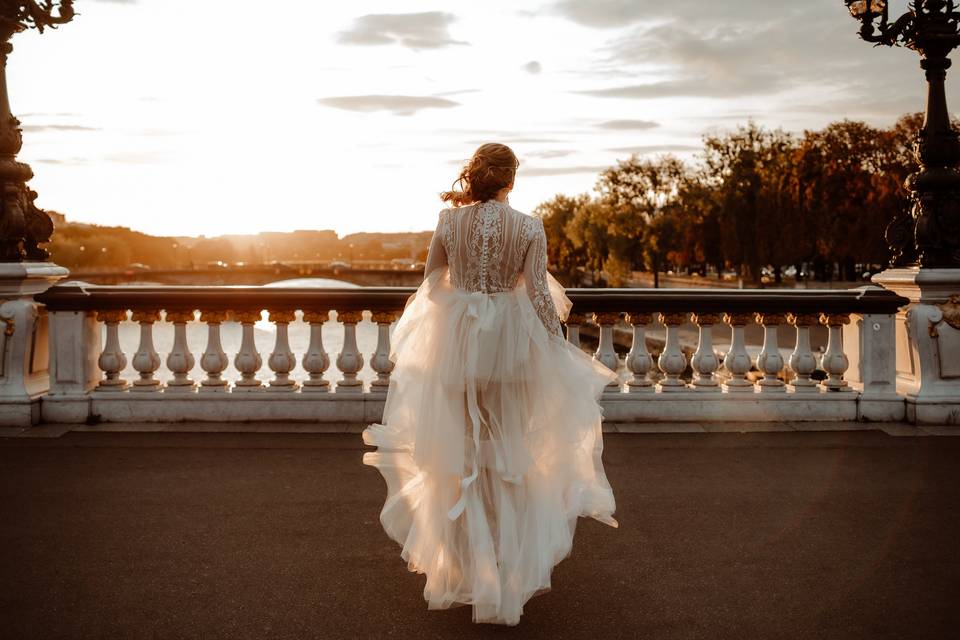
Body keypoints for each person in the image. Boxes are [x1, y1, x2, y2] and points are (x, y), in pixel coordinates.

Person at [362, 143, 618, 626]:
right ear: (511, 180)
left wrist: (462, 312)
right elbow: (541, 296)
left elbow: (431, 282)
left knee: (457, 457)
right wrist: (555, 346)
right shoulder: (528, 226)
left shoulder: (446, 222)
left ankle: (462, 565)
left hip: (457, 349)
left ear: (475, 176)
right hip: (511, 354)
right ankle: (504, 565)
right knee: (510, 454)